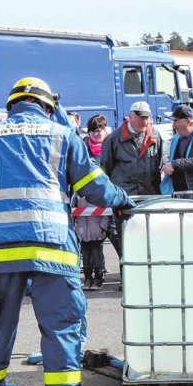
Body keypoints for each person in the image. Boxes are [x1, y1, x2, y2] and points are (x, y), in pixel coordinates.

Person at [0, 77, 132, 386]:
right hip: (52, 246)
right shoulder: (61, 135)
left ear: (12, 104)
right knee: (62, 329)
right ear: (48, 106)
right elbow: (94, 188)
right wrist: (122, 199)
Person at [100, 101, 165, 257]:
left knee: (150, 240)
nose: (145, 122)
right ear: (130, 116)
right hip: (125, 199)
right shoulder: (114, 138)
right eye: (141, 117)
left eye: (147, 118)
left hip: (149, 197)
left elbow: (159, 164)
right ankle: (128, 277)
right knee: (126, 240)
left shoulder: (155, 135)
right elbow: (105, 170)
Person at [74, 115, 112, 290]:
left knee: (97, 245)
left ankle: (99, 275)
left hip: (103, 198)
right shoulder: (82, 148)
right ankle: (87, 276)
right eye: (94, 130)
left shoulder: (110, 146)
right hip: (83, 199)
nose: (98, 134)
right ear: (88, 133)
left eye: (101, 130)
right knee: (85, 246)